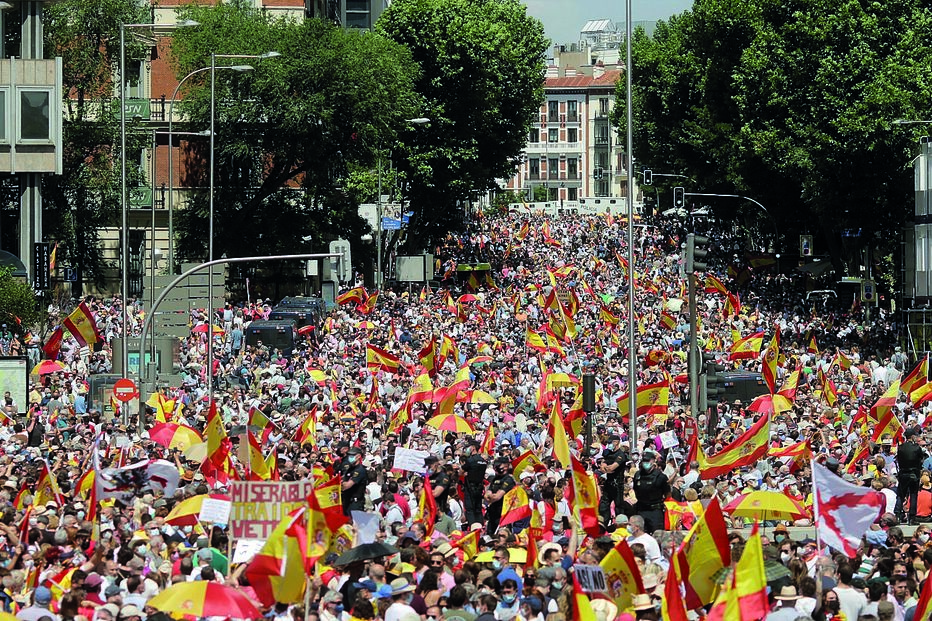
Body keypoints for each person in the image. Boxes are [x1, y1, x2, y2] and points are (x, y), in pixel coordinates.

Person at [632, 448, 669, 533]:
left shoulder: (660, 477)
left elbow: (667, 493)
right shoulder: (638, 475)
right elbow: (635, 489)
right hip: (641, 509)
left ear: (653, 461)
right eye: (644, 461)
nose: (645, 463)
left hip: (655, 511)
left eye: (648, 461)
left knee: (657, 535)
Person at [896, 426, 926, 524]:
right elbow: (921, 459)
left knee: (901, 495)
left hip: (903, 474)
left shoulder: (900, 447)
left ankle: (897, 515)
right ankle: (912, 518)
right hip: (913, 474)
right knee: (913, 495)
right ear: (912, 436)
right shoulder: (916, 448)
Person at [598, 435, 626, 525]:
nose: (609, 444)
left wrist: (607, 468)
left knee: (619, 508)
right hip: (608, 483)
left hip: (617, 485)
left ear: (616, 442)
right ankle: (603, 526)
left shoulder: (620, 455)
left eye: (610, 442)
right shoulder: (608, 454)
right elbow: (602, 467)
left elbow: (612, 468)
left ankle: (620, 526)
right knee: (603, 506)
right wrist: (607, 468)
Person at [485, 458, 515, 535]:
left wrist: (492, 497)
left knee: (501, 536)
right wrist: (491, 496)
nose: (496, 467)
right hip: (492, 512)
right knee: (490, 535)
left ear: (505, 466)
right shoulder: (495, 479)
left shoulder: (509, 480)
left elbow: (497, 496)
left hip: (503, 514)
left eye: (498, 465)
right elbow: (486, 495)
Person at [461, 438, 487, 525]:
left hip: (470, 487)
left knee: (470, 509)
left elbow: (461, 472)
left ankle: (474, 528)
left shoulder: (470, 460)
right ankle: (481, 526)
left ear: (473, 448)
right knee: (478, 509)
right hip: (479, 488)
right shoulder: (483, 461)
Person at [341, 447, 369, 515]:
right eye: (349, 455)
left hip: (355, 503)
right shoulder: (349, 469)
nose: (350, 457)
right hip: (346, 501)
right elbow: (342, 480)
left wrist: (342, 483)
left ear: (359, 456)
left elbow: (346, 486)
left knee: (354, 524)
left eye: (352, 455)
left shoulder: (360, 470)